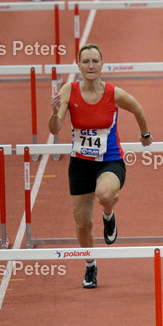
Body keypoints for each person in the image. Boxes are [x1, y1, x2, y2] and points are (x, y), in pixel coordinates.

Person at [49, 43, 152, 288]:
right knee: (82, 222)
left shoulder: (113, 93)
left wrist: (145, 134)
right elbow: (55, 129)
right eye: (86, 62)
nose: (91, 66)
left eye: (95, 61)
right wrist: (54, 114)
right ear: (78, 65)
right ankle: (90, 265)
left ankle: (109, 214)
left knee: (105, 194)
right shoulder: (68, 91)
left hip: (110, 160)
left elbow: (137, 108)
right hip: (80, 164)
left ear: (102, 65)